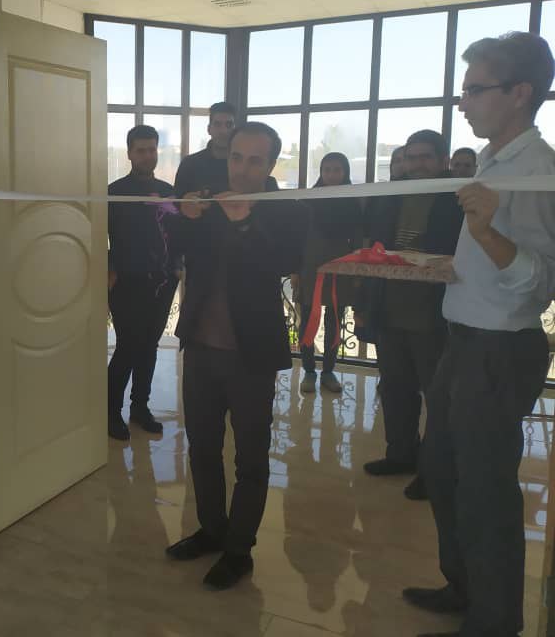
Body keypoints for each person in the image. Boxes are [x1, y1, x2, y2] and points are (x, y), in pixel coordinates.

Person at [403, 32, 555, 637]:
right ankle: (464, 586)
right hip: (462, 338)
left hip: (499, 349)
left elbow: (540, 284)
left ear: (519, 93)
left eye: (473, 89)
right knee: (441, 470)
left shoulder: (538, 172)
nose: (461, 102)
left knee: (485, 490)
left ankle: (495, 621)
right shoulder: (493, 160)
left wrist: (488, 233)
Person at [164, 122, 309, 591]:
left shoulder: (284, 210)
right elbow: (174, 246)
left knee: (250, 458)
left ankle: (238, 550)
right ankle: (211, 529)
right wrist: (183, 215)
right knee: (202, 449)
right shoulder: (209, 200)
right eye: (236, 158)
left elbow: (283, 260)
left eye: (254, 160)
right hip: (200, 349)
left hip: (252, 355)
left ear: (271, 165)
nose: (242, 169)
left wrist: (244, 222)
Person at [358, 130, 463, 502]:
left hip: (435, 314)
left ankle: (434, 471)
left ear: (443, 160)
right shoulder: (392, 195)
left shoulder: (457, 198)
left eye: (425, 157)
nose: (417, 164)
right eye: (411, 157)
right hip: (389, 309)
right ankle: (401, 454)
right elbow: (375, 245)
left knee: (439, 397)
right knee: (395, 388)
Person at [107, 125, 180, 441]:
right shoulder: (114, 192)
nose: (147, 156)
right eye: (141, 150)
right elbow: (96, 233)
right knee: (127, 346)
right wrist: (108, 268)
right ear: (129, 153)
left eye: (152, 149)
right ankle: (110, 411)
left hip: (161, 283)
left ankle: (140, 408)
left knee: (149, 346)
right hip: (126, 282)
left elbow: (177, 234)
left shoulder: (167, 191)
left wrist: (178, 267)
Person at [294, 152, 363, 394]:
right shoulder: (308, 200)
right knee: (307, 320)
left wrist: (356, 271)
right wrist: (295, 271)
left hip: (339, 268)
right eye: (327, 170)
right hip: (309, 268)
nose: (332, 175)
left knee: (335, 320)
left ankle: (328, 371)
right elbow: (297, 238)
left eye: (337, 170)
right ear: (321, 172)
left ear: (345, 172)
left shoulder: (353, 202)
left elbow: (357, 239)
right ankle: (309, 371)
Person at [174, 101, 278, 197]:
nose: (223, 131)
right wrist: (184, 206)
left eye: (229, 125)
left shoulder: (265, 179)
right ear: (209, 129)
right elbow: (175, 204)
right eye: (217, 124)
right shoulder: (189, 164)